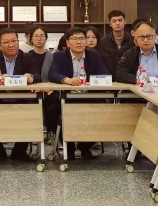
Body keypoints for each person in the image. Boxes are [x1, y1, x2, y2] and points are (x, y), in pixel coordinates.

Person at [48, 27, 111, 160]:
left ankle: (85, 146)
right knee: (51, 111)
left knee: (107, 112)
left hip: (89, 96)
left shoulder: (94, 55)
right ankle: (69, 147)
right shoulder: (59, 56)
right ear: (67, 42)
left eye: (82, 38)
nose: (79, 42)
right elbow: (52, 74)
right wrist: (66, 80)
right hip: (66, 97)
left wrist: (92, 81)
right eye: (75, 39)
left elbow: (104, 74)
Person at [0, 28, 37, 163]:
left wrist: (31, 76)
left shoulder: (27, 57)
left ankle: (19, 152)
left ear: (18, 42)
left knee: (33, 110)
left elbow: (37, 75)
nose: (11, 45)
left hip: (21, 98)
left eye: (14, 41)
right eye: (6, 42)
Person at [115, 20, 158, 85]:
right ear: (136, 38)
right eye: (142, 37)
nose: (146, 40)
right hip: (137, 89)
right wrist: (138, 80)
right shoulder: (129, 54)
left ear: (155, 36)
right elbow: (120, 74)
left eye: (149, 36)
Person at [98, 10, 133, 76]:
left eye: (120, 20)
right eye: (114, 21)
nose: (117, 23)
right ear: (110, 24)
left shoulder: (132, 40)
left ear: (125, 22)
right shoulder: (103, 42)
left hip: (128, 77)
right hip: (109, 78)